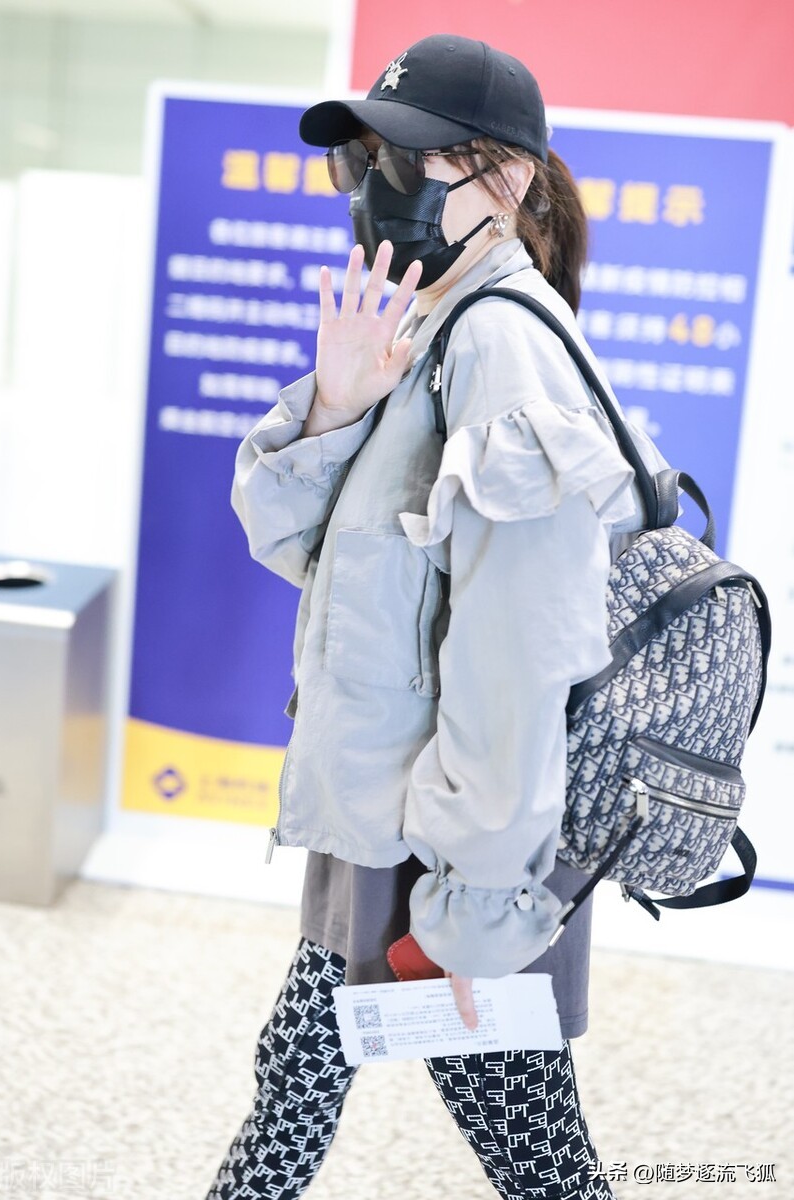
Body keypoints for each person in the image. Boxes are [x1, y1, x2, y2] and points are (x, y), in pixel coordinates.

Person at [207, 33, 667, 1200]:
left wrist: (476, 908)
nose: (376, 191)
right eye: (367, 161)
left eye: (410, 165)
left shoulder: (505, 347)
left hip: (451, 848)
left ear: (506, 180)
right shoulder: (429, 329)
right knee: (301, 1092)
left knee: (531, 1156)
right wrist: (335, 404)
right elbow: (298, 550)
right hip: (383, 815)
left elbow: (522, 653)